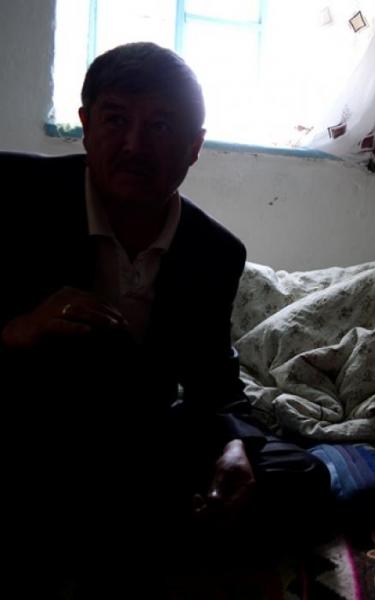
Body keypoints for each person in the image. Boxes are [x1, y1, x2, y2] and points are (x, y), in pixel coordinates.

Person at [0, 42, 328, 583]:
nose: (135, 145)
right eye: (115, 119)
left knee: (300, 473)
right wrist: (18, 329)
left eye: (160, 126)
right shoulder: (14, 193)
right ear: (85, 125)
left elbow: (215, 386)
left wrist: (234, 448)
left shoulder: (214, 251)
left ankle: (108, 529)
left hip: (137, 437)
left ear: (194, 146)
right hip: (27, 421)